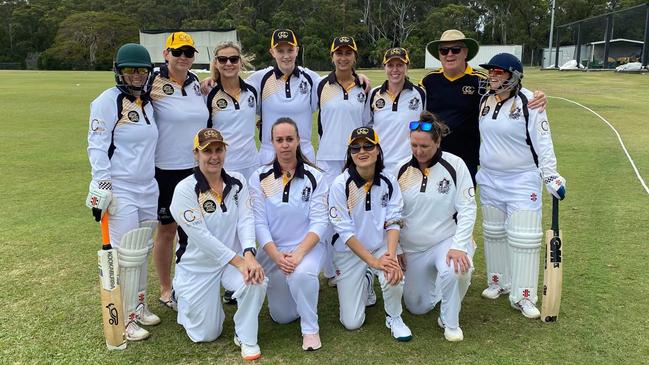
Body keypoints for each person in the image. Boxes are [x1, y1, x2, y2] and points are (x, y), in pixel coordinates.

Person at [476, 53, 566, 319]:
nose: (492, 76)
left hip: (521, 179)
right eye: (491, 71)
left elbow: (544, 142)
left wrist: (551, 176)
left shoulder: (531, 102)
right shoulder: (484, 100)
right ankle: (498, 281)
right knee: (493, 232)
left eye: (498, 72)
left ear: (513, 75)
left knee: (524, 238)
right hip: (489, 178)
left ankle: (524, 296)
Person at [170, 128, 267, 360]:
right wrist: (239, 261)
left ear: (225, 151)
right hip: (197, 266)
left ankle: (245, 336)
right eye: (207, 151)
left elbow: (246, 219)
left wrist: (249, 255)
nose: (214, 156)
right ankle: (181, 292)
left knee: (256, 281)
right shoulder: (185, 190)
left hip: (230, 263)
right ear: (196, 154)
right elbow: (201, 238)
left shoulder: (238, 182)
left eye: (218, 149)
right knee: (206, 334)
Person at [86, 43, 160, 341]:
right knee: (127, 253)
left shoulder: (149, 103)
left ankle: (139, 305)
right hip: (122, 188)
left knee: (142, 249)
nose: (137, 76)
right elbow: (97, 145)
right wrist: (102, 184)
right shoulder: (107, 101)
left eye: (141, 71)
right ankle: (125, 317)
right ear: (119, 72)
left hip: (148, 186)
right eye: (130, 71)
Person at [420, 29, 546, 183]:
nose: (449, 54)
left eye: (456, 49)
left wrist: (537, 96)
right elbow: (411, 98)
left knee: (464, 205)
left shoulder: (480, 80)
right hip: (434, 154)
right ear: (439, 55)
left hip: (467, 157)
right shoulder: (429, 80)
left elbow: (510, 87)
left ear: (465, 52)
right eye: (444, 50)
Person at [248, 118, 329, 351]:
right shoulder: (259, 177)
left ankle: (310, 329)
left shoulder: (316, 176)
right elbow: (259, 223)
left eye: (289, 139)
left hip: (308, 248)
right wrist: (276, 256)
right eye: (279, 140)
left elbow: (320, 222)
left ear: (298, 141)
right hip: (273, 250)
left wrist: (299, 254)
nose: (285, 145)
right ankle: (303, 292)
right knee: (281, 316)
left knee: (301, 275)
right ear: (272, 143)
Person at [395, 112, 476, 342]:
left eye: (424, 146)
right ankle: (443, 288)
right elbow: (391, 215)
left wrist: (460, 245)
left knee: (457, 269)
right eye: (414, 145)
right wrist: (398, 249)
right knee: (417, 307)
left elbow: (468, 208)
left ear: (438, 142)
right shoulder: (400, 169)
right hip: (413, 248)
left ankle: (450, 322)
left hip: (445, 241)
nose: (418, 151)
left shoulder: (455, 165)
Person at [328, 127, 412, 342]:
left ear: (377, 150)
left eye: (368, 146)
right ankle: (366, 279)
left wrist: (391, 256)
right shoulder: (340, 185)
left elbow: (393, 220)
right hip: (349, 253)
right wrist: (372, 262)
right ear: (350, 153)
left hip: (380, 246)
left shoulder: (388, 181)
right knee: (352, 323)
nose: (362, 151)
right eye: (355, 147)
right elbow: (344, 232)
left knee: (392, 273)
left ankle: (394, 317)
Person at [149, 31, 209, 309]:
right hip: (165, 169)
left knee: (195, 227)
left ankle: (192, 281)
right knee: (167, 229)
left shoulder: (197, 83)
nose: (183, 57)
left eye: (188, 53)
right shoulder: (153, 82)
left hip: (196, 168)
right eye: (178, 52)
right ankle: (165, 288)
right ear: (166, 54)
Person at [313, 35, 368, 286]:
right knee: (328, 215)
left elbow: (368, 123)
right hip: (327, 159)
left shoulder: (364, 88)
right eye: (339, 53)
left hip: (356, 158)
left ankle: (354, 265)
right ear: (332, 56)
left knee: (353, 213)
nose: (343, 57)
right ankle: (331, 269)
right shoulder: (321, 85)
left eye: (348, 53)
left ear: (355, 56)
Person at [364, 48, 426, 172]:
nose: (395, 70)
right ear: (384, 68)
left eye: (400, 65)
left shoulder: (420, 94)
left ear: (407, 67)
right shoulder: (374, 94)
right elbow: (366, 126)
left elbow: (425, 126)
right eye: (390, 65)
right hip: (379, 164)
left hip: (410, 164)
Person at [206, 41, 259, 180]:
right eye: (222, 59)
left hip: (252, 165)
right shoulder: (208, 93)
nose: (228, 63)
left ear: (240, 62)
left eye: (233, 59)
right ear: (216, 63)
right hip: (222, 166)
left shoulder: (252, 90)